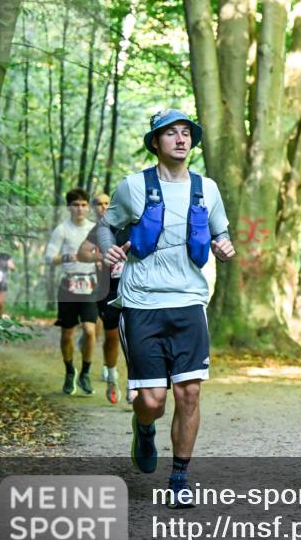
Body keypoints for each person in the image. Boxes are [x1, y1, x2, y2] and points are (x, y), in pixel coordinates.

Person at [97, 109, 234, 508]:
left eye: (185, 133)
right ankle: (143, 427)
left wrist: (223, 245)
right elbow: (107, 224)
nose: (180, 139)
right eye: (170, 133)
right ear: (155, 143)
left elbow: (219, 231)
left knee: (189, 393)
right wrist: (107, 246)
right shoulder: (133, 186)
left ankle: (179, 478)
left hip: (189, 301)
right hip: (142, 302)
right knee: (153, 401)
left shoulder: (206, 189)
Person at [77, 192, 135, 405]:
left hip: (134, 289)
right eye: (99, 204)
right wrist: (102, 256)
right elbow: (82, 253)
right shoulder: (103, 227)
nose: (103, 207)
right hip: (108, 290)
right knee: (112, 337)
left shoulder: (138, 224)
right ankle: (111, 377)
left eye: (106, 203)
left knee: (133, 338)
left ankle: (133, 384)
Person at [44, 188, 99, 395]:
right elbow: (49, 258)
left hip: (90, 285)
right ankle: (69, 371)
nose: (80, 209)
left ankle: (85, 372)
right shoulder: (61, 230)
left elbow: (103, 254)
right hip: (68, 285)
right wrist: (67, 257)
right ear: (69, 208)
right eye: (76, 205)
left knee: (89, 330)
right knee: (67, 334)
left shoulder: (95, 228)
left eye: (84, 204)